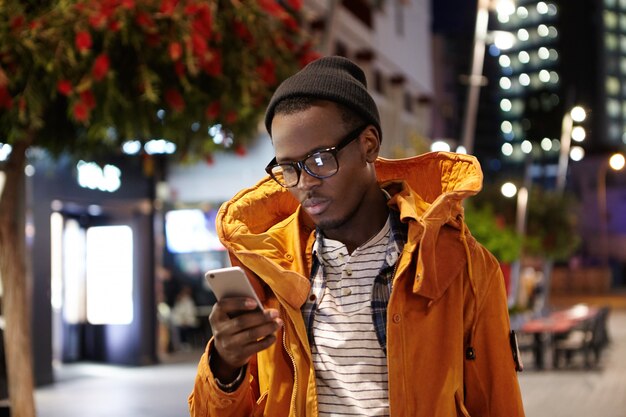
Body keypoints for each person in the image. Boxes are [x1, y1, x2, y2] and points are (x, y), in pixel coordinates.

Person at [189, 56, 525, 416]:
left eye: (320, 160)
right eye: (288, 168)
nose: (304, 184)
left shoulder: (461, 265)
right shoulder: (269, 269)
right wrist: (225, 366)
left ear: (368, 145)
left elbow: (497, 402)